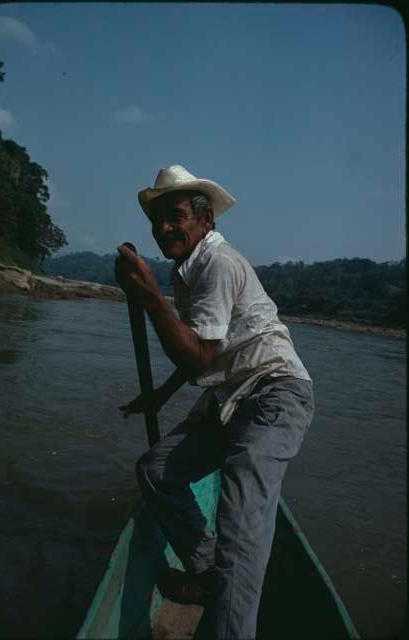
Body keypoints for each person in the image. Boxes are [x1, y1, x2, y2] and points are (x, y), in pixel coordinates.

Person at [115, 164, 314, 640]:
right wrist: (158, 395)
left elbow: (201, 356)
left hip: (273, 394)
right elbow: (206, 349)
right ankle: (207, 575)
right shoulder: (188, 270)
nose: (164, 228)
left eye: (176, 216)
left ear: (205, 220)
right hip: (230, 397)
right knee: (156, 470)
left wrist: (150, 299)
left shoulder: (219, 264)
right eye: (157, 219)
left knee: (241, 526)